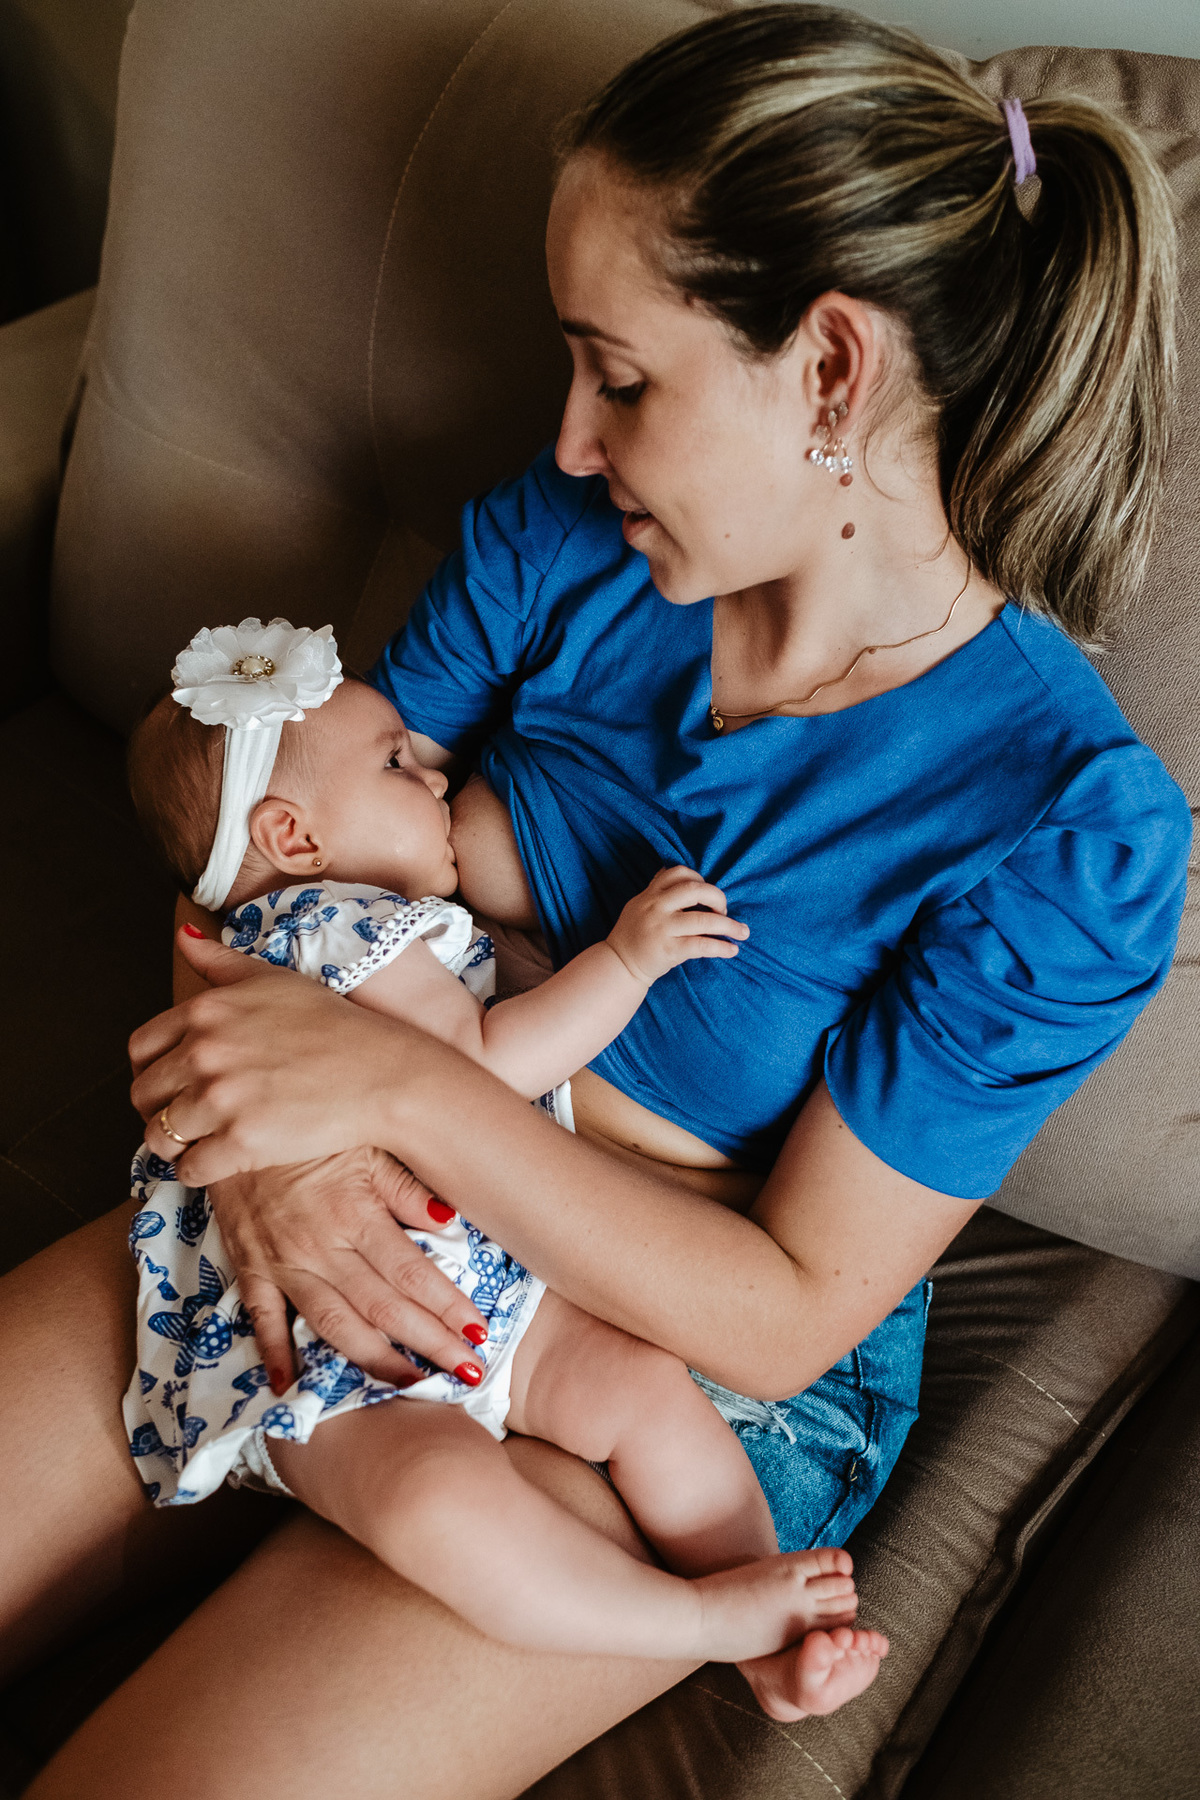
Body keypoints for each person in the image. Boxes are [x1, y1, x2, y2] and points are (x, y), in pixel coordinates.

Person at [4, 9, 1190, 1796]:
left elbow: (789, 1308)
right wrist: (278, 1145)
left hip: (674, 1360)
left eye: (618, 377)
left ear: (834, 375)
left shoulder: (1064, 829)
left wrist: (390, 1094)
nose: (566, 440)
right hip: (366, 1154)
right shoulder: (571, 545)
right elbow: (289, 840)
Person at [120, 624, 887, 1714]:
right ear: (291, 835)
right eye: (397, 762)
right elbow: (477, 1069)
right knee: (442, 1501)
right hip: (341, 1357)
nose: (437, 768)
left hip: (482, 1283)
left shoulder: (311, 929)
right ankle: (710, 1617)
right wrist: (622, 963)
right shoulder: (338, 927)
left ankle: (756, 1615)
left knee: (635, 1389)